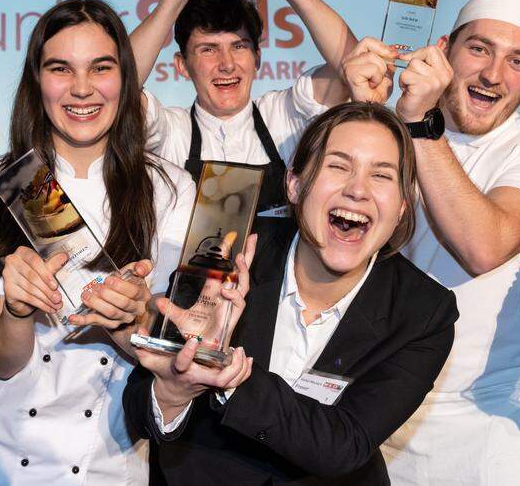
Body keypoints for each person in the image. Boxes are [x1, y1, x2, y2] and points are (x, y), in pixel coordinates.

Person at [124, 101, 458, 484]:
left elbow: (343, 445)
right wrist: (174, 390)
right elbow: (139, 408)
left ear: (401, 207)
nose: (358, 190)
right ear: (295, 185)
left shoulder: (423, 312)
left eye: (381, 175)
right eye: (338, 166)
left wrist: (231, 375)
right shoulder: (226, 252)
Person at [0, 0, 196, 484]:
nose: (82, 89)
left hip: (108, 458)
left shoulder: (168, 188)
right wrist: (17, 311)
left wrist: (130, 319)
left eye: (100, 68)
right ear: (36, 82)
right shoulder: (2, 183)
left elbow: (170, 355)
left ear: (125, 79)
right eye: (61, 69)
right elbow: (4, 361)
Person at [344, 0, 520, 484]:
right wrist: (362, 116)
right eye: (480, 49)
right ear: (445, 49)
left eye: (517, 62)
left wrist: (420, 127)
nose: (494, 74)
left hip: (495, 423)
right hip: (382, 406)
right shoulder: (386, 134)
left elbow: (483, 245)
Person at [130, 0, 357, 229]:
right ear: (182, 65)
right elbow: (113, 89)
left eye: (238, 47)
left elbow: (354, 69)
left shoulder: (285, 116)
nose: (226, 63)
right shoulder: (170, 132)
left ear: (257, 58)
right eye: (208, 49)